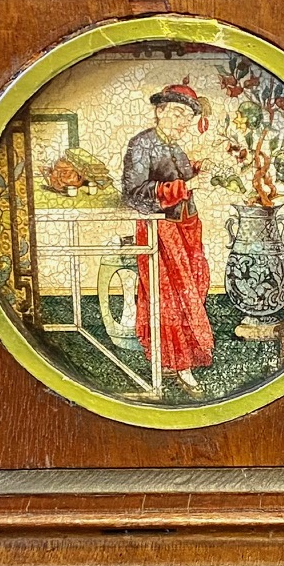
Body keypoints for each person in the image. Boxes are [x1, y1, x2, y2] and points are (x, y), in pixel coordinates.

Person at [120, 81, 213, 392]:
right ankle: (180, 365)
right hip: (161, 230)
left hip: (186, 227)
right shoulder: (141, 144)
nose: (182, 122)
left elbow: (178, 175)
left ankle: (178, 360)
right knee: (171, 298)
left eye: (187, 117)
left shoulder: (174, 145)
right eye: (176, 113)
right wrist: (184, 187)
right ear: (159, 111)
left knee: (194, 288)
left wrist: (198, 168)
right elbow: (134, 193)